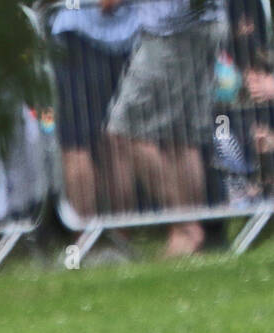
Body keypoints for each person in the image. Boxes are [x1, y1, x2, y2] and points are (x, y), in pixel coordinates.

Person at [104, 0, 230, 256]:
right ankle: (185, 235)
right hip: (206, 24)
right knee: (183, 140)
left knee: (122, 133)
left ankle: (186, 228)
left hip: (171, 31)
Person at [48, 0, 142, 218]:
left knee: (78, 145)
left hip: (78, 35)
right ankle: (118, 234)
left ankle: (86, 235)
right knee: (115, 142)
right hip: (129, 38)